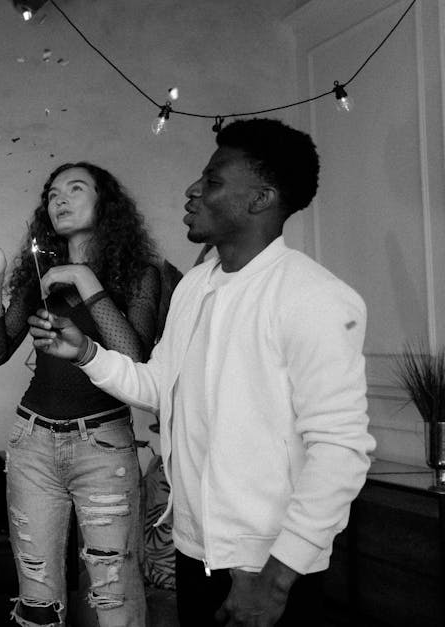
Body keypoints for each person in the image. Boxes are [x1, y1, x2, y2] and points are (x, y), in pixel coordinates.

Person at [31, 119, 375, 627]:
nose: (193, 190)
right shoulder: (194, 286)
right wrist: (86, 354)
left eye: (213, 181)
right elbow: (157, 386)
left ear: (260, 199)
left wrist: (277, 580)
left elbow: (340, 451)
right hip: (194, 552)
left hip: (268, 566)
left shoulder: (316, 298)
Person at [0, 161, 157, 626]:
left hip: (103, 448)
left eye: (76, 189)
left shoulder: (139, 275)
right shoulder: (42, 274)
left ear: (106, 205)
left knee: (115, 595)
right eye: (53, 193)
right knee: (36, 599)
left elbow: (134, 359)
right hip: (31, 445)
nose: (60, 199)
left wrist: (83, 278)